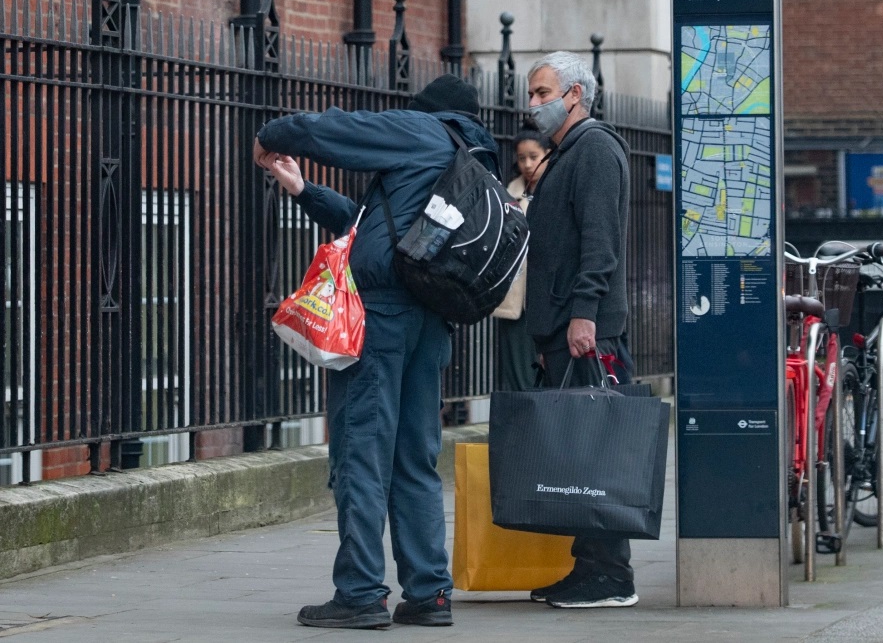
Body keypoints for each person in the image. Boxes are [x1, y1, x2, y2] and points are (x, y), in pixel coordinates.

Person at [253, 74, 499, 630]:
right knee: (414, 458)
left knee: (362, 450)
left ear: (425, 111)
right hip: (430, 322)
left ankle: (361, 592)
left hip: (382, 319)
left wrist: (274, 133)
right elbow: (379, 230)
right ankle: (429, 592)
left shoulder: (422, 132)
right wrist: (303, 190)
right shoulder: (476, 158)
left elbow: (339, 129)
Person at [522, 50, 637, 609]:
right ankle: (588, 567)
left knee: (598, 454)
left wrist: (583, 315)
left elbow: (601, 242)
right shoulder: (566, 153)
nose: (533, 103)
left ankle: (612, 576)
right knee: (578, 454)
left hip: (586, 331)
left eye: (543, 93)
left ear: (574, 95)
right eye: (531, 93)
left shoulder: (594, 150)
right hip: (561, 329)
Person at [493, 120, 554, 391]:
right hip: (514, 301)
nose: (528, 164)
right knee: (518, 376)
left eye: (534, 157)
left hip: (548, 298)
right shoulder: (508, 194)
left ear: (547, 155)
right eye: (521, 158)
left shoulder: (556, 189)